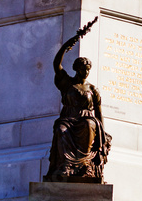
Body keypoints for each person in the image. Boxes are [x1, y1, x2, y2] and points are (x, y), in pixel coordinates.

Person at [45, 19, 111, 182]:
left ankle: (82, 166)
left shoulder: (93, 89)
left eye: (88, 69)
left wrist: (102, 131)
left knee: (89, 126)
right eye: (83, 69)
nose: (86, 72)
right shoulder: (67, 82)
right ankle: (65, 166)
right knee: (61, 130)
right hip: (68, 118)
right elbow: (56, 63)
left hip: (87, 119)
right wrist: (70, 43)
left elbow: (99, 113)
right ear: (76, 69)